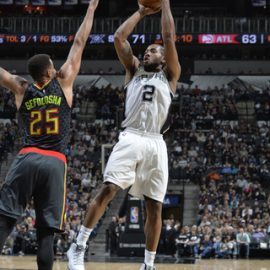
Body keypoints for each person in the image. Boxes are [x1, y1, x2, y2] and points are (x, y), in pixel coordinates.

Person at [67, 0, 180, 269]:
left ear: (164, 58)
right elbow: (119, 37)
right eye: (147, 50)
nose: (147, 53)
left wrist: (164, 4)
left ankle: (148, 265)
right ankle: (79, 246)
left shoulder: (171, 75)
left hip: (156, 142)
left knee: (155, 207)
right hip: (131, 136)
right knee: (108, 189)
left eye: (153, 51)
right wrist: (141, 12)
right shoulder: (133, 71)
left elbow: (168, 37)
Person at [0, 0, 100, 269]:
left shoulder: (22, 89)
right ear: (48, 71)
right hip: (55, 162)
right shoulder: (63, 81)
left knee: (4, 221)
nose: (57, 66)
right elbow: (79, 43)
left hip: (27, 157)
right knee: (46, 235)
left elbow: (2, 74)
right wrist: (90, 10)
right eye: (53, 65)